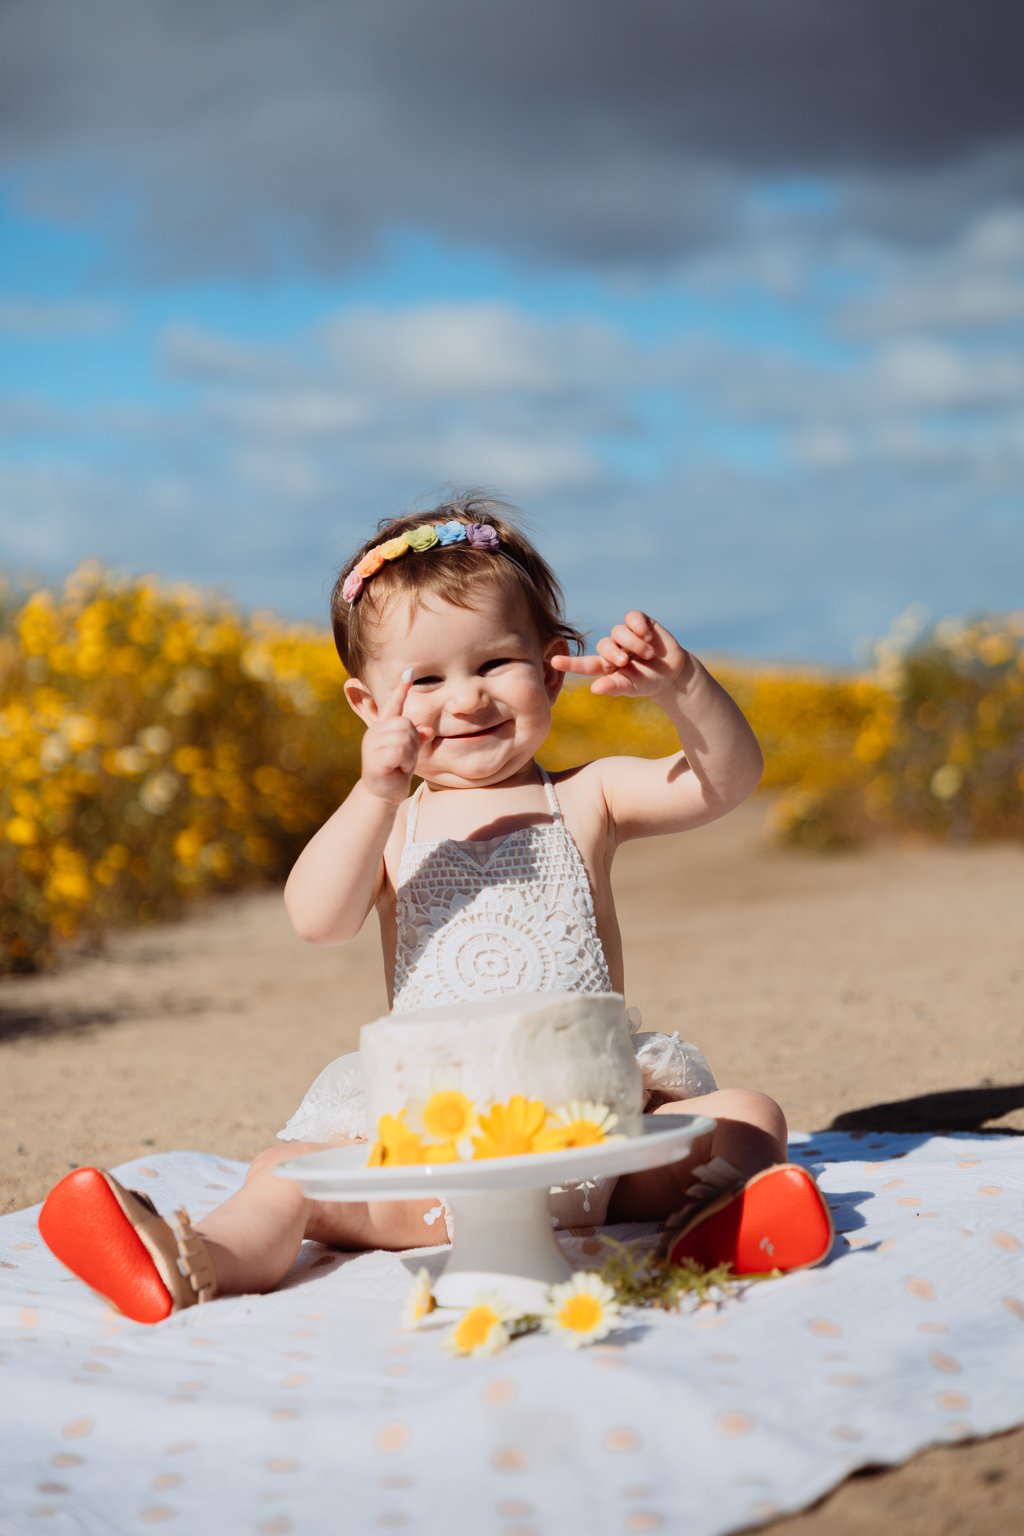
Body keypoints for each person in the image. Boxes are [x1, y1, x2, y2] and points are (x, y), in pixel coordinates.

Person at [38, 495, 832, 1324]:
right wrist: (372, 793)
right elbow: (317, 918)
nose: (467, 700)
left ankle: (720, 1222)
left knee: (747, 1117)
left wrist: (685, 688)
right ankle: (197, 1260)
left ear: (555, 661)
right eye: (425, 679)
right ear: (365, 705)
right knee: (285, 1173)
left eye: (494, 663)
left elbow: (723, 781)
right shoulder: (390, 824)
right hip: (430, 1161)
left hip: (597, 1139)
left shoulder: (588, 797)